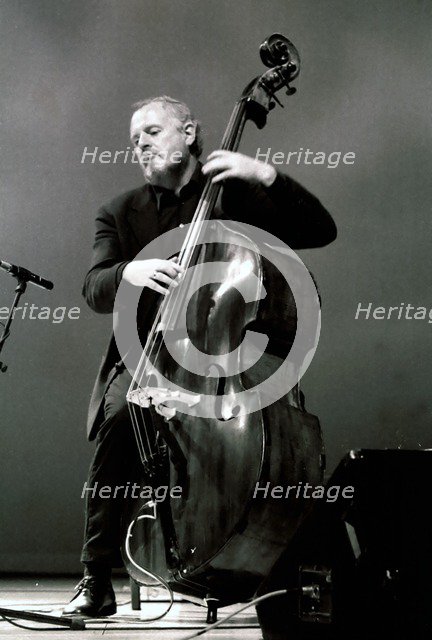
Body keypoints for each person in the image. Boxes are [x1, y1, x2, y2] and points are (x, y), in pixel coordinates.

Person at [63, 95, 336, 618]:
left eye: (151, 130)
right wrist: (128, 273)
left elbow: (320, 231)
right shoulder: (120, 212)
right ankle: (95, 579)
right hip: (150, 360)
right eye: (133, 138)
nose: (139, 143)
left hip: (225, 362)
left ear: (188, 132)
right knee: (122, 417)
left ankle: (263, 566)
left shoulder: (237, 197)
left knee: (259, 442)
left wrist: (265, 174)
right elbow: (94, 287)